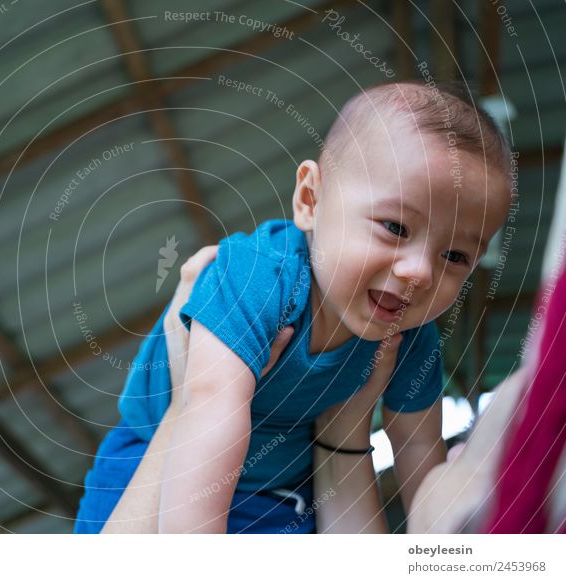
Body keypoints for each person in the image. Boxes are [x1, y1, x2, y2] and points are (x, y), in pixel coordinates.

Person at [74, 80, 513, 533]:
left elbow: (419, 448)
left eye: (455, 256)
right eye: (395, 227)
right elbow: (210, 406)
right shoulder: (258, 278)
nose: (420, 271)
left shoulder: (411, 340)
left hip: (285, 495)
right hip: (158, 468)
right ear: (310, 200)